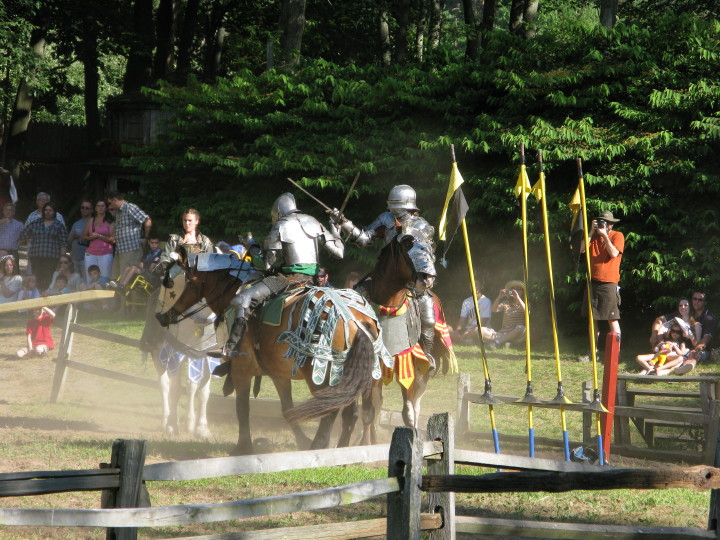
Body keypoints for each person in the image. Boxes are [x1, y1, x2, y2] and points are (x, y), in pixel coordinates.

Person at [221, 193, 344, 358]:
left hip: (287, 279)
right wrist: (336, 232)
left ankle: (232, 347)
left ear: (278, 213)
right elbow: (340, 252)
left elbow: (266, 264)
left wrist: (251, 245)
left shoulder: (281, 225)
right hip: (315, 280)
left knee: (244, 299)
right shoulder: (313, 221)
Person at [330, 184, 437, 369]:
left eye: (398, 206)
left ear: (409, 206)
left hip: (410, 279)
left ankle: (426, 354)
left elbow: (427, 253)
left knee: (428, 315)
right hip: (383, 273)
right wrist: (345, 223)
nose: (395, 211)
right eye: (393, 206)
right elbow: (364, 238)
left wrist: (422, 277)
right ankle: (350, 350)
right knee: (355, 299)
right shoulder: (385, 219)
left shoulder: (421, 225)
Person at [139, 209, 213, 351]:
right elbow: (165, 257)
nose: (187, 223)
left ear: (197, 222)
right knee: (154, 298)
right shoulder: (174, 239)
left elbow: (210, 262)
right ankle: (150, 338)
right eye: (185, 220)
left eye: (190, 220)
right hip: (175, 279)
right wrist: (167, 263)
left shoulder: (205, 242)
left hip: (197, 281)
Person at [581, 210, 624, 349]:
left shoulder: (617, 235)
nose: (605, 225)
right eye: (602, 222)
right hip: (592, 282)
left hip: (609, 282)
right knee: (592, 319)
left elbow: (613, 253)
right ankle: (593, 351)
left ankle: (615, 351)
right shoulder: (592, 237)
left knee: (612, 318)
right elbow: (581, 250)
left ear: (611, 224)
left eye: (608, 223)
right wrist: (590, 232)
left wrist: (604, 235)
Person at [664, 290, 716, 375]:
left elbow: (705, 339)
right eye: (694, 299)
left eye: (700, 300)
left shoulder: (708, 318)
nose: (697, 302)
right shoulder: (683, 315)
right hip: (681, 348)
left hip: (698, 350)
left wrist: (696, 345)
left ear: (705, 302)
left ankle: (686, 366)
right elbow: (662, 321)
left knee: (693, 353)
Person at [21, 202, 67, 290]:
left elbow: (63, 244)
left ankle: (46, 300)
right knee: (36, 280)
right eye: (46, 210)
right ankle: (37, 299)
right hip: (36, 256)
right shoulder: (36, 223)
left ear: (54, 212)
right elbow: (24, 233)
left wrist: (62, 259)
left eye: (50, 210)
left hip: (52, 258)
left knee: (49, 280)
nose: (48, 212)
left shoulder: (59, 225)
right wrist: (30, 238)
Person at [106, 191, 152, 280]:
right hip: (120, 249)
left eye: (110, 202)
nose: (110, 205)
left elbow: (147, 220)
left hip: (131, 249)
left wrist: (146, 238)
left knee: (127, 278)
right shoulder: (119, 212)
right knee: (116, 277)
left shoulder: (130, 207)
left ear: (114, 200)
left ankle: (129, 294)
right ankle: (117, 293)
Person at [481, 280, 527, 348]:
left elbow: (526, 311)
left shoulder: (525, 302)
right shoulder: (506, 302)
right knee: (481, 330)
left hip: (517, 334)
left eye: (518, 289)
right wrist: (500, 297)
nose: (515, 291)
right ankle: (505, 342)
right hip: (503, 333)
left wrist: (518, 298)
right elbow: (494, 310)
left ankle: (497, 342)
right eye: (513, 289)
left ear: (523, 292)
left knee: (520, 328)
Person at [82, 199, 115, 281]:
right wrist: (90, 238)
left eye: (103, 206)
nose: (100, 208)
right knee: (90, 278)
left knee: (104, 278)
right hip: (91, 252)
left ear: (106, 208)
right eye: (98, 206)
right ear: (95, 208)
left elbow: (112, 239)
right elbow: (83, 236)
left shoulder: (110, 221)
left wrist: (99, 235)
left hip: (105, 253)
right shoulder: (91, 220)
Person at [453, 276, 492, 345]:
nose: (473, 286)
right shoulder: (466, 301)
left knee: (476, 331)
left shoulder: (486, 301)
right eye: (471, 284)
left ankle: (465, 339)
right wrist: (457, 331)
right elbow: (462, 319)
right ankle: (465, 339)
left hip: (480, 329)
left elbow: (484, 322)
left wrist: (468, 333)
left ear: (481, 286)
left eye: (476, 284)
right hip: (467, 330)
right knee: (448, 329)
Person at [68, 200, 93, 280]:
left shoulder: (93, 222)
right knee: (75, 282)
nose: (84, 209)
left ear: (91, 210)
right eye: (82, 207)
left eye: (87, 208)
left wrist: (84, 236)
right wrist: (74, 236)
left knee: (87, 280)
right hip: (74, 258)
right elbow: (68, 241)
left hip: (86, 258)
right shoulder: (76, 224)